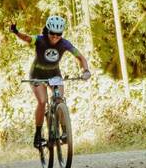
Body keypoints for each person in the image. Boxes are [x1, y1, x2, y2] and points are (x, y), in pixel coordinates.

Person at [10, 15, 91, 148]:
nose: (55, 37)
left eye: (58, 34)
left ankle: (65, 132)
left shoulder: (65, 44)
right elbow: (27, 38)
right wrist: (16, 32)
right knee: (42, 101)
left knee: (59, 99)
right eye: (52, 33)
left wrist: (86, 70)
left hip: (54, 74)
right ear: (48, 31)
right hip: (37, 75)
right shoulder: (40, 40)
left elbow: (80, 57)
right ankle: (38, 136)